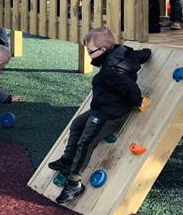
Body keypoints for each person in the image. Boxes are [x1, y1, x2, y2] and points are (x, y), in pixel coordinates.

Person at [50, 27, 151, 205]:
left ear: (103, 50)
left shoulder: (110, 72)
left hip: (110, 113)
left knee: (86, 141)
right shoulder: (122, 52)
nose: (88, 54)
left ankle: (74, 183)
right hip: (102, 107)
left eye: (90, 51)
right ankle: (67, 160)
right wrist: (147, 53)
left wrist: (137, 101)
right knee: (77, 124)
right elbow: (140, 55)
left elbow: (130, 87)